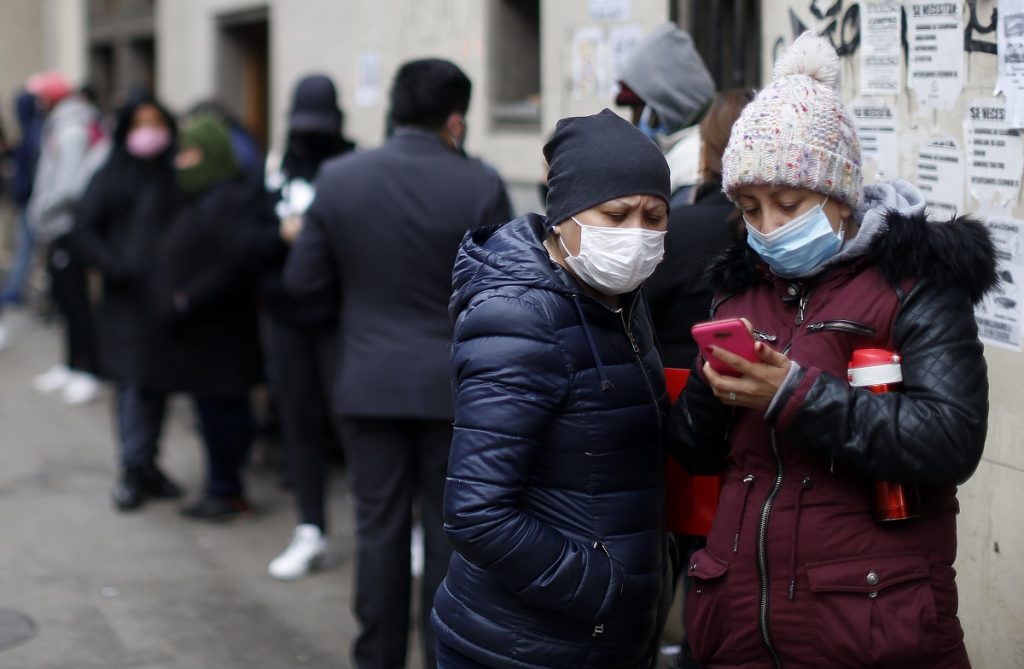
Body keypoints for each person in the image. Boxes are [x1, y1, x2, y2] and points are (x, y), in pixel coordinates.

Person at [665, 33, 994, 669]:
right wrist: (712, 387)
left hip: (869, 628)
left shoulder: (914, 284)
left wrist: (792, 395)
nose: (766, 229)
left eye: (788, 204)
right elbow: (697, 453)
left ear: (841, 196)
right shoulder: (739, 289)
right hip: (740, 626)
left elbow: (952, 439)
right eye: (749, 209)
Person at [284, 58, 510, 669]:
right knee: (446, 538)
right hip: (454, 389)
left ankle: (374, 659)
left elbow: (302, 284)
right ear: (456, 118)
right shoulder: (480, 184)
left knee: (377, 531)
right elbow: (505, 293)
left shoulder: (338, 178)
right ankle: (443, 657)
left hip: (368, 381)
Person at [431, 108, 671, 668]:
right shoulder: (519, 319)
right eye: (616, 214)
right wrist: (604, 589)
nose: (635, 233)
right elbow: (477, 511)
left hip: (599, 640)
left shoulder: (617, 301)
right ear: (563, 215)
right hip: (522, 646)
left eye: (654, 215)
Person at [645, 87, 754, 669]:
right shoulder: (756, 243)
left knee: (688, 556)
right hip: (751, 425)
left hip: (680, 408)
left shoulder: (679, 230)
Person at [251, 74, 356, 579]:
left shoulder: (354, 167)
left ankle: (397, 528)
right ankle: (310, 528)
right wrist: (280, 233)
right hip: (285, 316)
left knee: (355, 423)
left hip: (341, 317)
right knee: (299, 421)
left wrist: (315, 237)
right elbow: (246, 235)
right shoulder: (275, 169)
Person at [144, 113, 263, 521]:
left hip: (218, 332)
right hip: (204, 333)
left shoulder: (228, 199)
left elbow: (233, 262)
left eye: (191, 153)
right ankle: (222, 486)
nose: (182, 161)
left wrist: (187, 299)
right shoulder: (203, 196)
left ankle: (226, 490)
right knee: (215, 413)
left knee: (222, 415)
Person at [68, 91, 182, 511]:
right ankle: (132, 467)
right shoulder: (110, 176)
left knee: (159, 385)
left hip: (166, 301)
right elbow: (83, 231)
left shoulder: (174, 173)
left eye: (157, 123)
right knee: (134, 385)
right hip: (125, 303)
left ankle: (149, 463)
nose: (150, 133)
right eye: (141, 124)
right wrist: (117, 265)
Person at [27, 71, 109, 405]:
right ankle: (71, 363)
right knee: (64, 298)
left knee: (76, 302)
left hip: (67, 226)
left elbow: (69, 185)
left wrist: (43, 210)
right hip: (59, 225)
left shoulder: (71, 128)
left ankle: (88, 369)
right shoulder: (62, 124)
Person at [616, 23, 716, 208]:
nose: (633, 121)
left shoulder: (692, 160)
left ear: (663, 104)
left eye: (637, 108)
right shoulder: (688, 148)